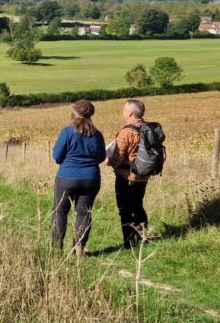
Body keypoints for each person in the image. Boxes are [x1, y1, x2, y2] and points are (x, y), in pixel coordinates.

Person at [52, 99, 106, 255]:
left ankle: (56, 250)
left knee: (60, 211)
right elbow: (101, 157)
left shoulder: (67, 132)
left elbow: (57, 156)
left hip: (67, 177)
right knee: (84, 213)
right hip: (91, 178)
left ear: (74, 112)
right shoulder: (97, 134)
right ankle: (79, 248)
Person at [107, 98, 151, 248]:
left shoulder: (126, 132)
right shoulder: (148, 128)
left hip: (127, 176)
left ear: (130, 112)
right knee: (138, 205)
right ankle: (144, 237)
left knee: (125, 209)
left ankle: (129, 243)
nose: (123, 111)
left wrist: (109, 161)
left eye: (124, 109)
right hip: (144, 176)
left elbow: (118, 157)